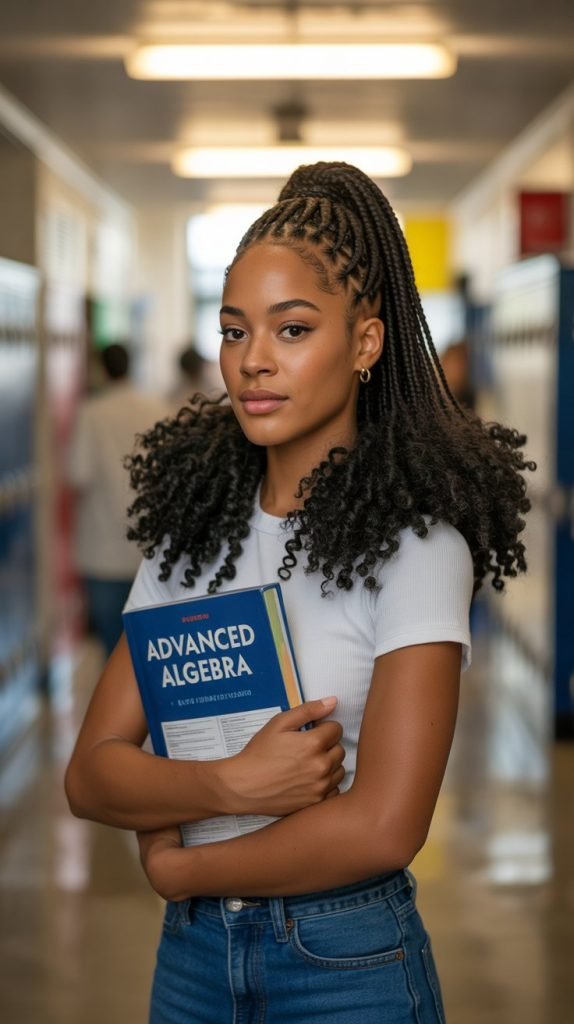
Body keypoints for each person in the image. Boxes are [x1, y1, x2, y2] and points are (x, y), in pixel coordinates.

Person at [65, 163, 535, 1023]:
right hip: (193, 965)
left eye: (292, 329)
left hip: (347, 962)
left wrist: (181, 865)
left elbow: (386, 826)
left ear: (364, 343)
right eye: (234, 330)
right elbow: (92, 776)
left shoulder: (418, 551)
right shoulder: (191, 541)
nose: (253, 362)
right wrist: (234, 786)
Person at [67, 342, 168, 657]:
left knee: (114, 650)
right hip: (153, 550)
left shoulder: (92, 413)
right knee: (152, 646)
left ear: (101, 369)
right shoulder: (159, 409)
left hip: (104, 552)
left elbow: (78, 474)